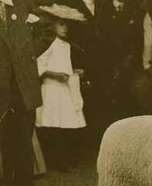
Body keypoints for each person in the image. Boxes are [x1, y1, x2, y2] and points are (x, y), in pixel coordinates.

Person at [0, 0, 51, 186]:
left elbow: (49, 30)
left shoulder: (24, 5)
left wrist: (28, 52)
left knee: (22, 145)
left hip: (22, 90)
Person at [35, 3, 87, 172]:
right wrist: (53, 74)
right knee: (52, 124)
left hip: (64, 88)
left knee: (65, 123)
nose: (65, 28)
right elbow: (38, 65)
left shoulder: (66, 45)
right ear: (53, 25)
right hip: (51, 88)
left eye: (67, 25)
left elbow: (64, 64)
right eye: (61, 24)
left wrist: (73, 72)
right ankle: (54, 161)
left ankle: (64, 160)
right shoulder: (48, 43)